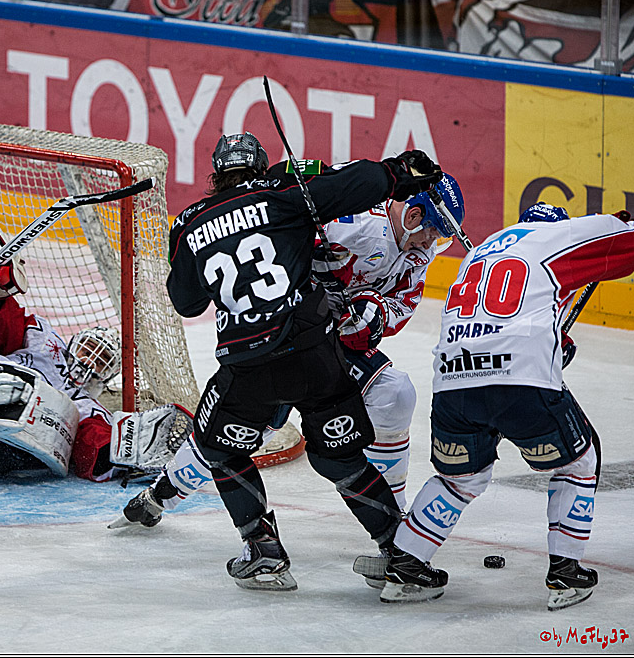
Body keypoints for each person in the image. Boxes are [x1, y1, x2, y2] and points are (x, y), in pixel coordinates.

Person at [152, 131, 445, 591]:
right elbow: (355, 183)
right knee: (341, 456)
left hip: (249, 361)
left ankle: (264, 551)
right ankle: (399, 552)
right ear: (261, 168)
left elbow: (186, 303)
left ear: (215, 175)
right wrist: (396, 172)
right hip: (315, 352)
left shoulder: (188, 225)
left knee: (221, 448)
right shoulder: (283, 193)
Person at [112, 173, 466, 532]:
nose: (431, 243)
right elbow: (274, 244)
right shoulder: (350, 218)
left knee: (395, 394)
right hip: (286, 336)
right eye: (433, 231)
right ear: (414, 216)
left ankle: (394, 513)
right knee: (236, 436)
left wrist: (371, 319)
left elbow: (400, 306)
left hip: (329, 347)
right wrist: (315, 277)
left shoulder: (417, 254)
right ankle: (160, 495)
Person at [377, 202, 634, 609]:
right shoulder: (554, 238)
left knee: (459, 480)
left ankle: (407, 564)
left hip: (453, 385)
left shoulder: (482, 252)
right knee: (579, 462)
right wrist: (629, 223)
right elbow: (627, 243)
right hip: (520, 381)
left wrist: (550, 343)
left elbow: (499, 316)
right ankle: (566, 573)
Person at [0, 220, 190, 482]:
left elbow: (91, 444)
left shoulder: (89, 407)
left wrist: (120, 454)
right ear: (73, 343)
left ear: (105, 379)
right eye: (89, 349)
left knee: (40, 418)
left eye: (101, 362)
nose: (90, 361)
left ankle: (4, 404)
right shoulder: (44, 343)